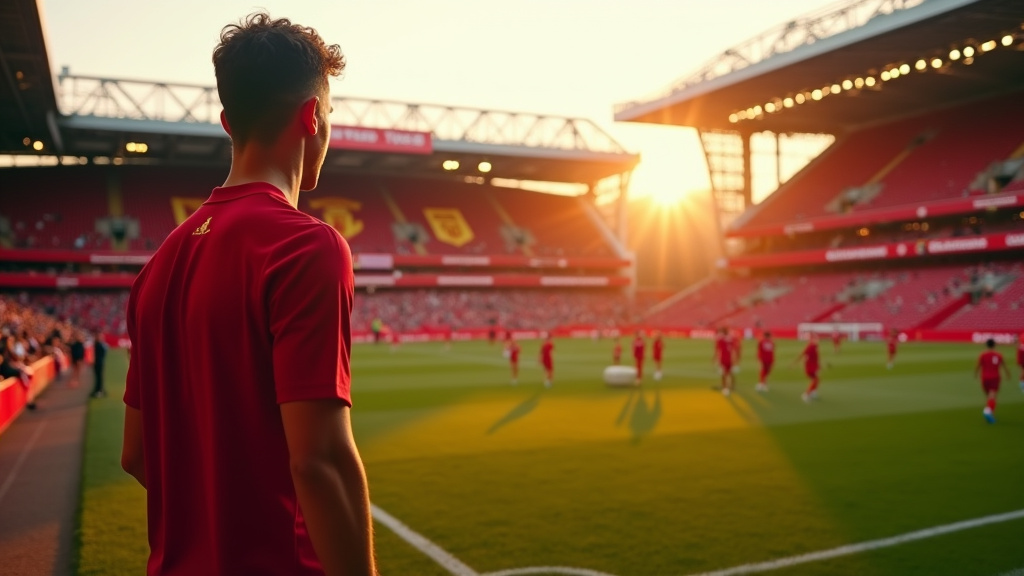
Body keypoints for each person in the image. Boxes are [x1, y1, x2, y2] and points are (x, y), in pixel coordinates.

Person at [120, 13, 376, 576]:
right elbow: (320, 461)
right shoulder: (305, 246)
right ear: (312, 116)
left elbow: (136, 454)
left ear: (225, 121)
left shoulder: (157, 266)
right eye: (329, 114)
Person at [976, 338, 1010, 424]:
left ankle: (990, 414)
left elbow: (978, 366)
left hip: (984, 377)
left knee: (989, 396)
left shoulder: (983, 355)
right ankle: (987, 411)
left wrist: (976, 374)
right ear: (994, 345)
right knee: (992, 395)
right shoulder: (998, 355)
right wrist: (1007, 374)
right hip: (995, 377)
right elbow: (1004, 366)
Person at [798, 334, 821, 402]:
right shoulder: (811, 347)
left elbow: (816, 357)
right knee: (815, 380)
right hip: (811, 367)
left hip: (814, 366)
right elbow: (806, 357)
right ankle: (806, 394)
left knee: (816, 380)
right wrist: (811, 367)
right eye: (815, 339)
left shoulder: (815, 346)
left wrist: (818, 365)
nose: (817, 340)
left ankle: (813, 392)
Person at [714, 327, 736, 396]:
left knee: (724, 374)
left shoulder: (720, 339)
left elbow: (718, 350)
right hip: (730, 359)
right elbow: (734, 350)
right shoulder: (731, 339)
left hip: (723, 359)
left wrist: (716, 359)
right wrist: (735, 360)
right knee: (730, 373)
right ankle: (731, 386)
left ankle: (725, 388)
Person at [90, 331, 108, 399]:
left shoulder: (99, 344)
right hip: (98, 363)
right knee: (98, 377)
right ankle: (98, 390)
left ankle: (100, 389)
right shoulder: (98, 344)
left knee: (99, 377)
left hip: (100, 362)